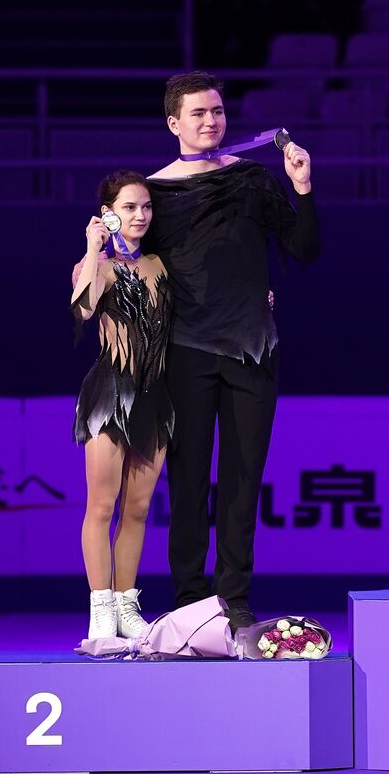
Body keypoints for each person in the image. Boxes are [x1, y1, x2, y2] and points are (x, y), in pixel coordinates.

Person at [143, 71, 319, 631]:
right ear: (174, 123)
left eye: (216, 112)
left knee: (243, 481)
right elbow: (133, 269)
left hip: (251, 349)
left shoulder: (252, 179)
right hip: (185, 351)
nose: (210, 122)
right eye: (197, 114)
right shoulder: (155, 193)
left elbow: (304, 249)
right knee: (188, 481)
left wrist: (302, 188)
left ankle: (234, 599)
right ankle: (190, 599)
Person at [72, 170, 173, 641]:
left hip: (155, 396)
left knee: (137, 508)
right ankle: (100, 610)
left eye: (146, 207)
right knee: (101, 505)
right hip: (110, 394)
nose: (140, 215)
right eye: (129, 207)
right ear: (108, 214)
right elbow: (84, 309)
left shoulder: (159, 263)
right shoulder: (96, 266)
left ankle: (127, 603)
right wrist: (93, 249)